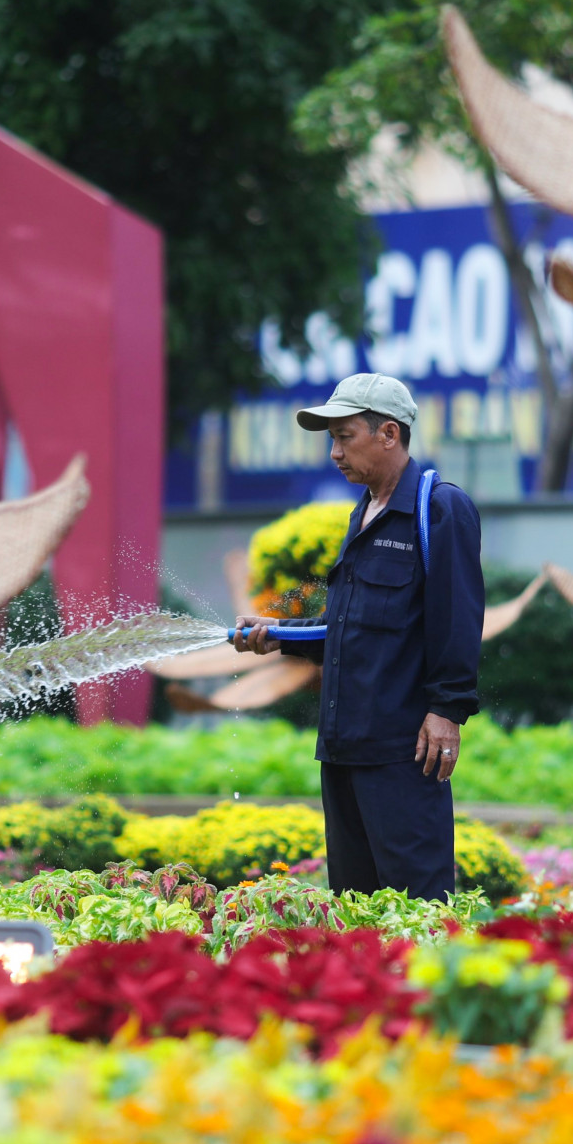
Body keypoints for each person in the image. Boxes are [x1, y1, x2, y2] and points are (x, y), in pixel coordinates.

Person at [232, 373, 484, 900]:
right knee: (354, 907)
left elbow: (459, 620)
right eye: (332, 440)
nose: (334, 453)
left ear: (389, 434)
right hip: (343, 750)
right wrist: (278, 633)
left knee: (416, 909)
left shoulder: (438, 508)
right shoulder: (362, 512)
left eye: (345, 437)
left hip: (403, 754)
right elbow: (351, 629)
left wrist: (447, 711)